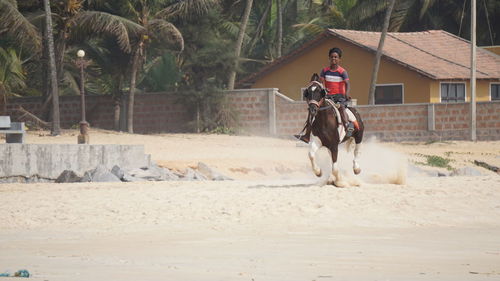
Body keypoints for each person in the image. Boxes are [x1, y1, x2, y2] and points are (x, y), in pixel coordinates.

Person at [296, 47, 356, 143]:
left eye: (336, 57)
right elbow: (321, 82)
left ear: (339, 59)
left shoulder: (342, 72)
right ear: (329, 58)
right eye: (332, 57)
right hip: (328, 96)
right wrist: (324, 89)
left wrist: (346, 94)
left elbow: (347, 84)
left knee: (341, 108)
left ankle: (347, 126)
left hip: (339, 97)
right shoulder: (324, 71)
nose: (333, 59)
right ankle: (307, 135)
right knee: (313, 109)